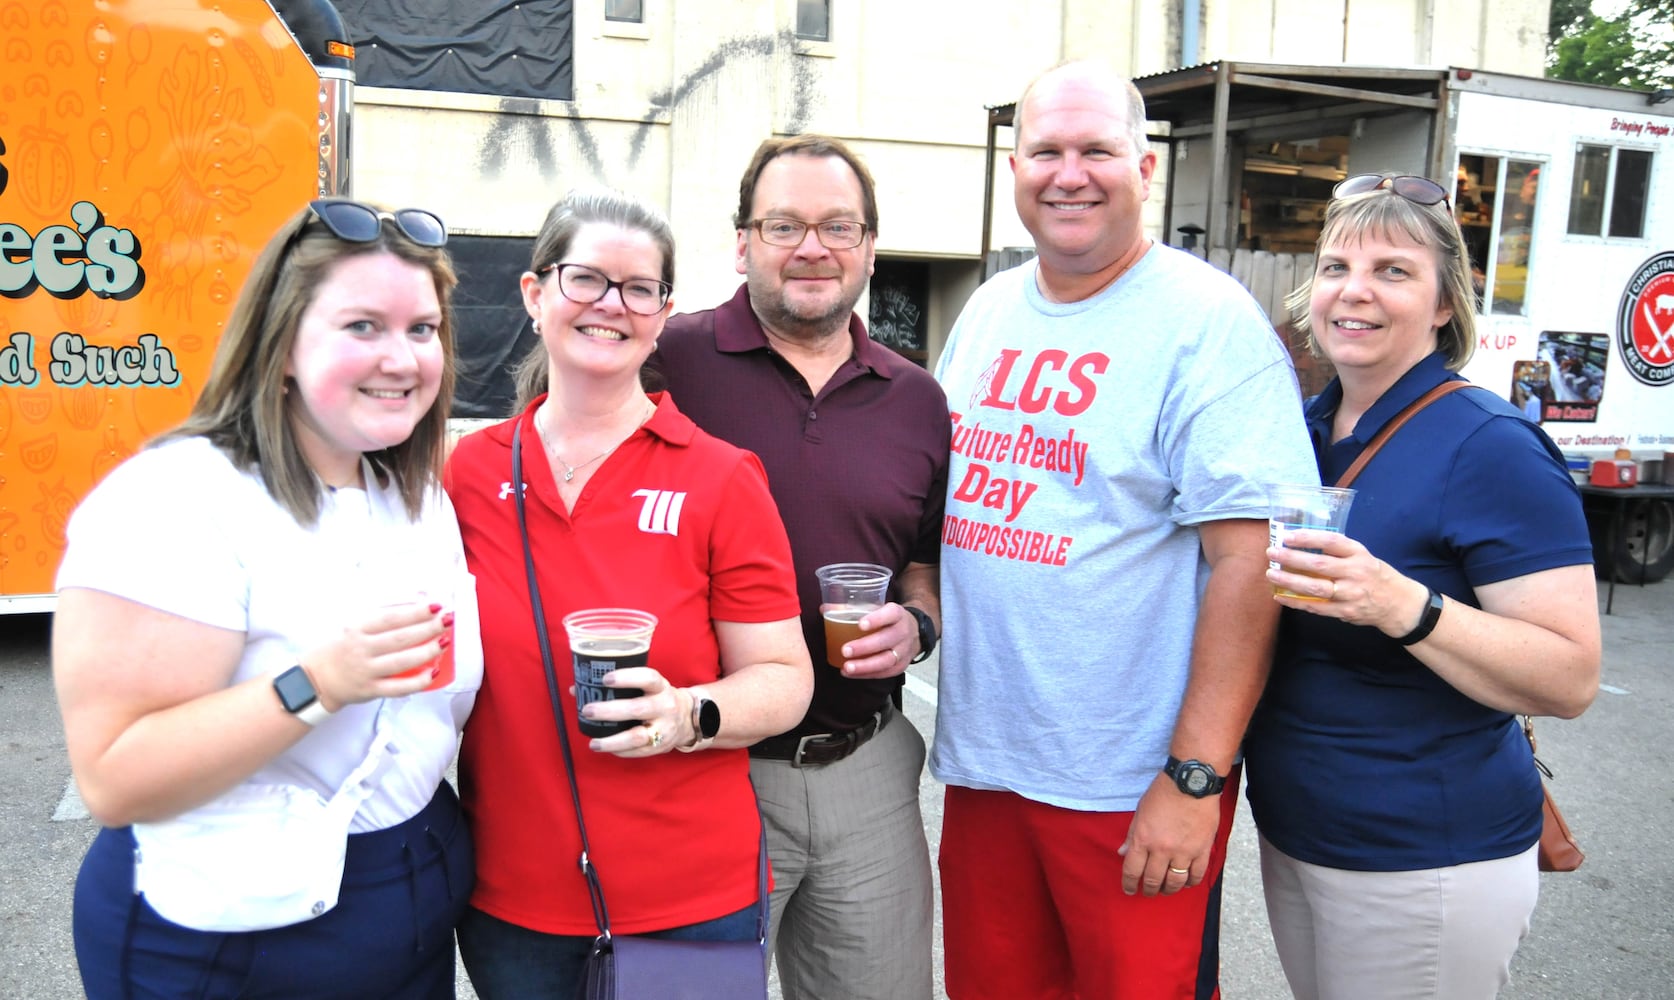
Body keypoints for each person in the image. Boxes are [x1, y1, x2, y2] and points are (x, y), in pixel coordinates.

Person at [930, 61, 1318, 999]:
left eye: (1097, 150)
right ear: (1015, 168)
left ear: (1145, 169)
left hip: (1128, 782)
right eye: (1047, 152)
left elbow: (1251, 561)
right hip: (987, 768)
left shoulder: (1204, 323)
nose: (1070, 173)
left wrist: (1195, 780)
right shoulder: (987, 311)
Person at [55, 198, 481, 998]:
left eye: (422, 329)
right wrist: (315, 685)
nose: (403, 357)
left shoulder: (416, 495)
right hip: (223, 936)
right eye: (362, 326)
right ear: (281, 345)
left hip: (412, 912)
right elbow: (115, 778)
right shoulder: (177, 498)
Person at [445, 187, 814, 997]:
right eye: (586, 280)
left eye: (638, 288)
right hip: (513, 904)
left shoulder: (720, 477)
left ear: (662, 313)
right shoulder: (466, 475)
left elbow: (785, 679)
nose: (610, 305)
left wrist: (690, 714)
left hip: (690, 898)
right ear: (535, 294)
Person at [1246, 172, 1601, 999]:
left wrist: (1401, 603)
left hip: (1426, 853)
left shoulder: (1491, 444)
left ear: (1445, 304)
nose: (1353, 292)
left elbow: (1571, 676)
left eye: (1393, 271)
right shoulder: (1299, 429)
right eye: (1335, 268)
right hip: (1298, 832)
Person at [652, 134, 950, 1000]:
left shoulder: (916, 398)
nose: (812, 248)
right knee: (684, 992)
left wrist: (918, 623)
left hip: (866, 771)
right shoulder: (669, 362)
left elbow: (923, 558)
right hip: (706, 771)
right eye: (783, 225)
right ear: (742, 240)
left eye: (837, 227)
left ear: (868, 246)